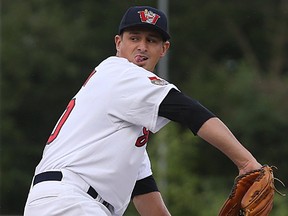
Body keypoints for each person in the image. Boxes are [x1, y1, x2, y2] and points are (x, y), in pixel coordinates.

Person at [24, 5, 262, 216]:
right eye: (134, 38)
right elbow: (189, 111)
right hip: (71, 201)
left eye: (151, 40)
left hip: (63, 202)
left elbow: (144, 192)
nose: (142, 47)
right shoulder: (121, 74)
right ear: (119, 43)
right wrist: (247, 163)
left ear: (164, 48)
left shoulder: (126, 125)